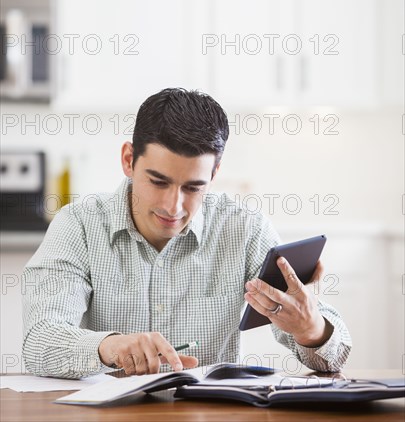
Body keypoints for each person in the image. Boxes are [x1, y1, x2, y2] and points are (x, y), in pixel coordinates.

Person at [22, 88, 352, 378]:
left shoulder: (244, 229)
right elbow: (39, 342)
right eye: (158, 181)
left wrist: (311, 330)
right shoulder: (78, 225)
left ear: (214, 173)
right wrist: (111, 346)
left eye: (193, 187)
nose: (173, 206)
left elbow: (334, 358)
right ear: (128, 160)